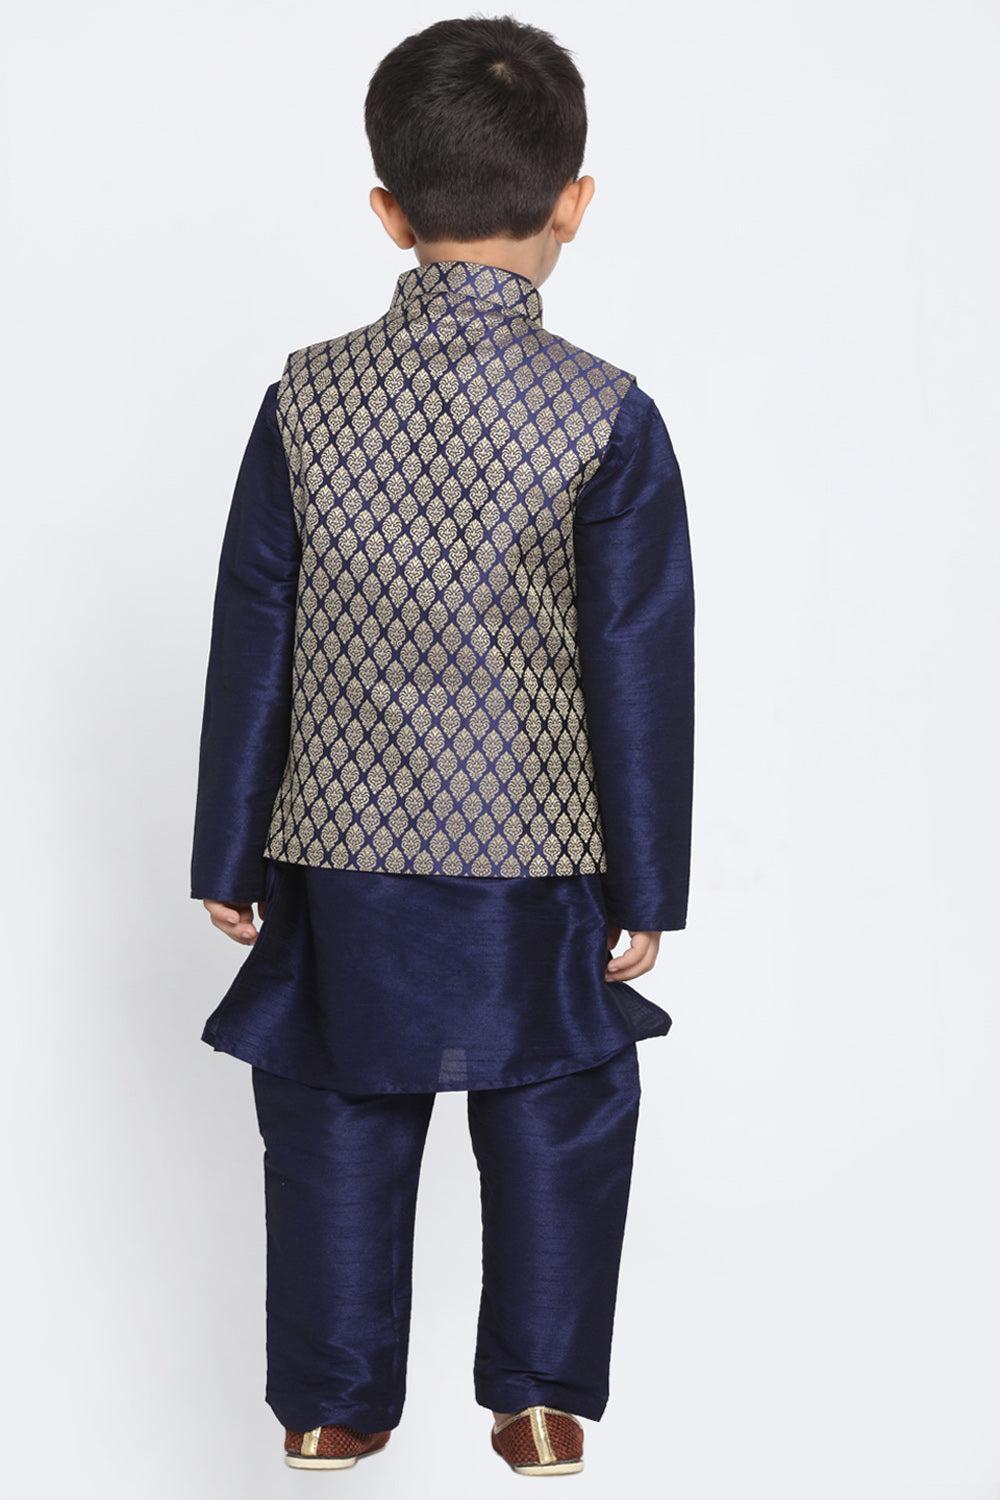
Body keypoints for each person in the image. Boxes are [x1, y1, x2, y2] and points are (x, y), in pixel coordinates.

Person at [190, 14, 694, 1477]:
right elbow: (637, 659)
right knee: (558, 1101)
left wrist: (228, 850)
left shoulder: (305, 398)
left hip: (336, 843)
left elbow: (256, 620)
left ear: (388, 210)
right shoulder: (607, 415)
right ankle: (538, 1403)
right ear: (573, 203)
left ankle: (331, 1405)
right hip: (537, 847)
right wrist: (647, 883)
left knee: (338, 1104)